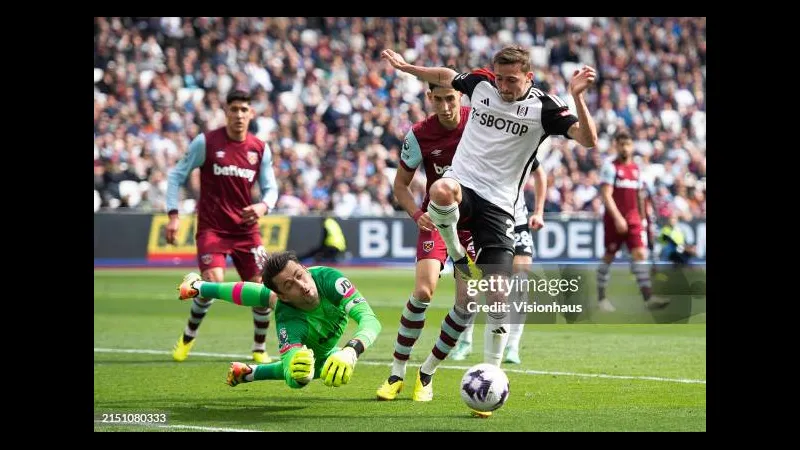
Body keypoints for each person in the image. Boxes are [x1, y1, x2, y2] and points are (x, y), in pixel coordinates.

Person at [382, 45, 598, 383]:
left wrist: (577, 98)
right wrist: (408, 68)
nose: (503, 87)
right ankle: (457, 253)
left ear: (528, 77)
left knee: (498, 295)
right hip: (464, 187)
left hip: (499, 206)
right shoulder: (481, 84)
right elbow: (445, 76)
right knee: (440, 190)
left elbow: (587, 139)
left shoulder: (545, 108)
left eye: (511, 80)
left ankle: (492, 374)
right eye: (499, 78)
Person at [375, 81, 479, 403]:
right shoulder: (419, 134)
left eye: (451, 99)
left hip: (473, 225)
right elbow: (400, 185)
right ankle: (396, 373)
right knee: (423, 292)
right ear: (429, 98)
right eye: (438, 100)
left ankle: (427, 372)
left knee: (467, 303)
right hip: (437, 219)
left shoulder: (479, 121)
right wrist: (416, 213)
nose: (445, 107)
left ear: (460, 96)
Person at [166, 89, 280, 363]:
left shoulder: (259, 148)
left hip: (246, 230)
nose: (239, 114)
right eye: (234, 109)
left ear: (251, 113)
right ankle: (188, 337)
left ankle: (259, 348)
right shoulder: (206, 142)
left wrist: (264, 206)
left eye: (244, 109)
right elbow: (176, 176)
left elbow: (271, 188)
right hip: (213, 229)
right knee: (213, 281)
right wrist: (173, 215)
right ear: (226, 112)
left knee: (262, 288)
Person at [176, 251, 381, 389]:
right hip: (293, 312)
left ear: (305, 269)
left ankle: (198, 287)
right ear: (284, 295)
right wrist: (297, 367)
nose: (302, 285)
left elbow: (369, 319)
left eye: (300, 275)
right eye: (290, 285)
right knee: (303, 374)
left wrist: (351, 350)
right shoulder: (288, 318)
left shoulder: (329, 280)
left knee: (266, 295)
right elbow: (292, 377)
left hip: (306, 315)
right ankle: (250, 372)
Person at [450, 165, 546, 364]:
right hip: (487, 217)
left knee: (520, 281)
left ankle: (513, 346)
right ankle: (465, 341)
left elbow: (539, 173)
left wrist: (539, 212)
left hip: (517, 219)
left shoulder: (521, 147)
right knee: (475, 282)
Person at [596, 131, 669, 312]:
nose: (625, 148)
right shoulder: (610, 167)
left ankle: (648, 298)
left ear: (632, 146)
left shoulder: (636, 169)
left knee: (640, 255)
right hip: (614, 220)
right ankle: (601, 297)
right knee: (609, 256)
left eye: (627, 144)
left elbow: (639, 196)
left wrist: (643, 218)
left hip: (634, 219)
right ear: (616, 145)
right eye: (621, 144)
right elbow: (606, 195)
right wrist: (618, 218)